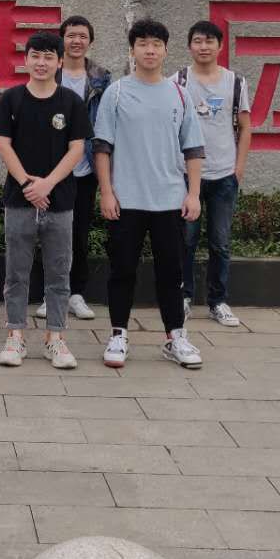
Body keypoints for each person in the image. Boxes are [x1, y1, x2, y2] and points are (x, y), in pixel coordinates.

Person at [93, 18, 206, 370]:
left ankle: (175, 337)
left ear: (166, 50)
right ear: (133, 50)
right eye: (142, 44)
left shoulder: (179, 94)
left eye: (156, 44)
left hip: (170, 200)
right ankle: (118, 334)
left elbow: (193, 149)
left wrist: (193, 194)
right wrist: (106, 192)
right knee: (122, 270)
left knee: (171, 273)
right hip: (126, 200)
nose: (150, 50)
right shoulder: (116, 92)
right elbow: (102, 147)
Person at [0, 31, 90, 370]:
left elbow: (76, 149)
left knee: (59, 273)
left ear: (60, 62)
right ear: (26, 59)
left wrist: (47, 184)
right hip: (19, 200)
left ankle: (55, 337)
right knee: (16, 272)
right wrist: (27, 184)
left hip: (59, 201)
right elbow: (3, 144)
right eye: (35, 55)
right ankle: (15, 335)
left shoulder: (71, 102)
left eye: (49, 56)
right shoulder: (12, 99)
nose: (41, 62)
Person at [33, 15, 111, 322]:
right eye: (71, 36)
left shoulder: (101, 78)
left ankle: (76, 293)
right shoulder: (50, 72)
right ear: (61, 39)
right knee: (48, 232)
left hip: (85, 169)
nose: (76, 41)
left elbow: (106, 123)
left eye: (82, 36)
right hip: (51, 170)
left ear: (90, 41)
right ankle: (49, 294)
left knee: (79, 233)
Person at [175, 20, 251, 328]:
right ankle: (183, 297)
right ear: (189, 46)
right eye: (197, 41)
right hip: (186, 174)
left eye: (209, 41)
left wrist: (238, 168)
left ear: (220, 46)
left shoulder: (235, 82)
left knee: (220, 242)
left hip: (223, 175)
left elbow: (245, 127)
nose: (203, 46)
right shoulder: (179, 80)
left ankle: (218, 301)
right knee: (186, 240)